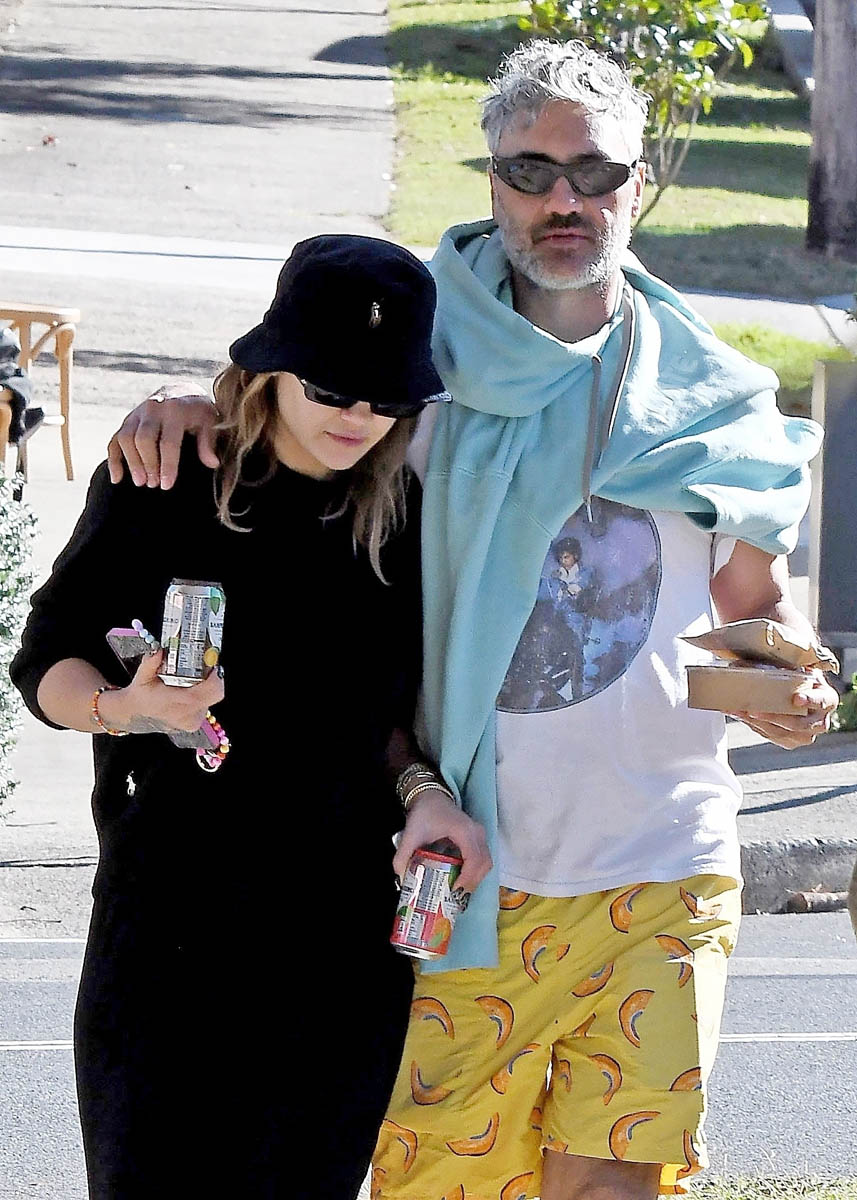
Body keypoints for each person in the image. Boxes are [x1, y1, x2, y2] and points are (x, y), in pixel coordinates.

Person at [104, 40, 839, 1200]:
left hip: (663, 862)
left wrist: (786, 689)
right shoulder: (416, 365)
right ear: (492, 180)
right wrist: (185, 400)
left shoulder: (713, 400)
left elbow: (747, 614)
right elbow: (286, 407)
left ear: (638, 182)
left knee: (611, 1185)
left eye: (595, 173)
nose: (563, 200)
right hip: (459, 866)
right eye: (531, 171)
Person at [10, 234, 491, 1200]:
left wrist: (424, 793)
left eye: (387, 399)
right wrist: (123, 707)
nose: (359, 418)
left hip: (340, 943)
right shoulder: (164, 475)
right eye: (333, 389)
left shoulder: (402, 512)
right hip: (170, 925)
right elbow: (45, 661)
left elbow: (382, 722)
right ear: (271, 366)